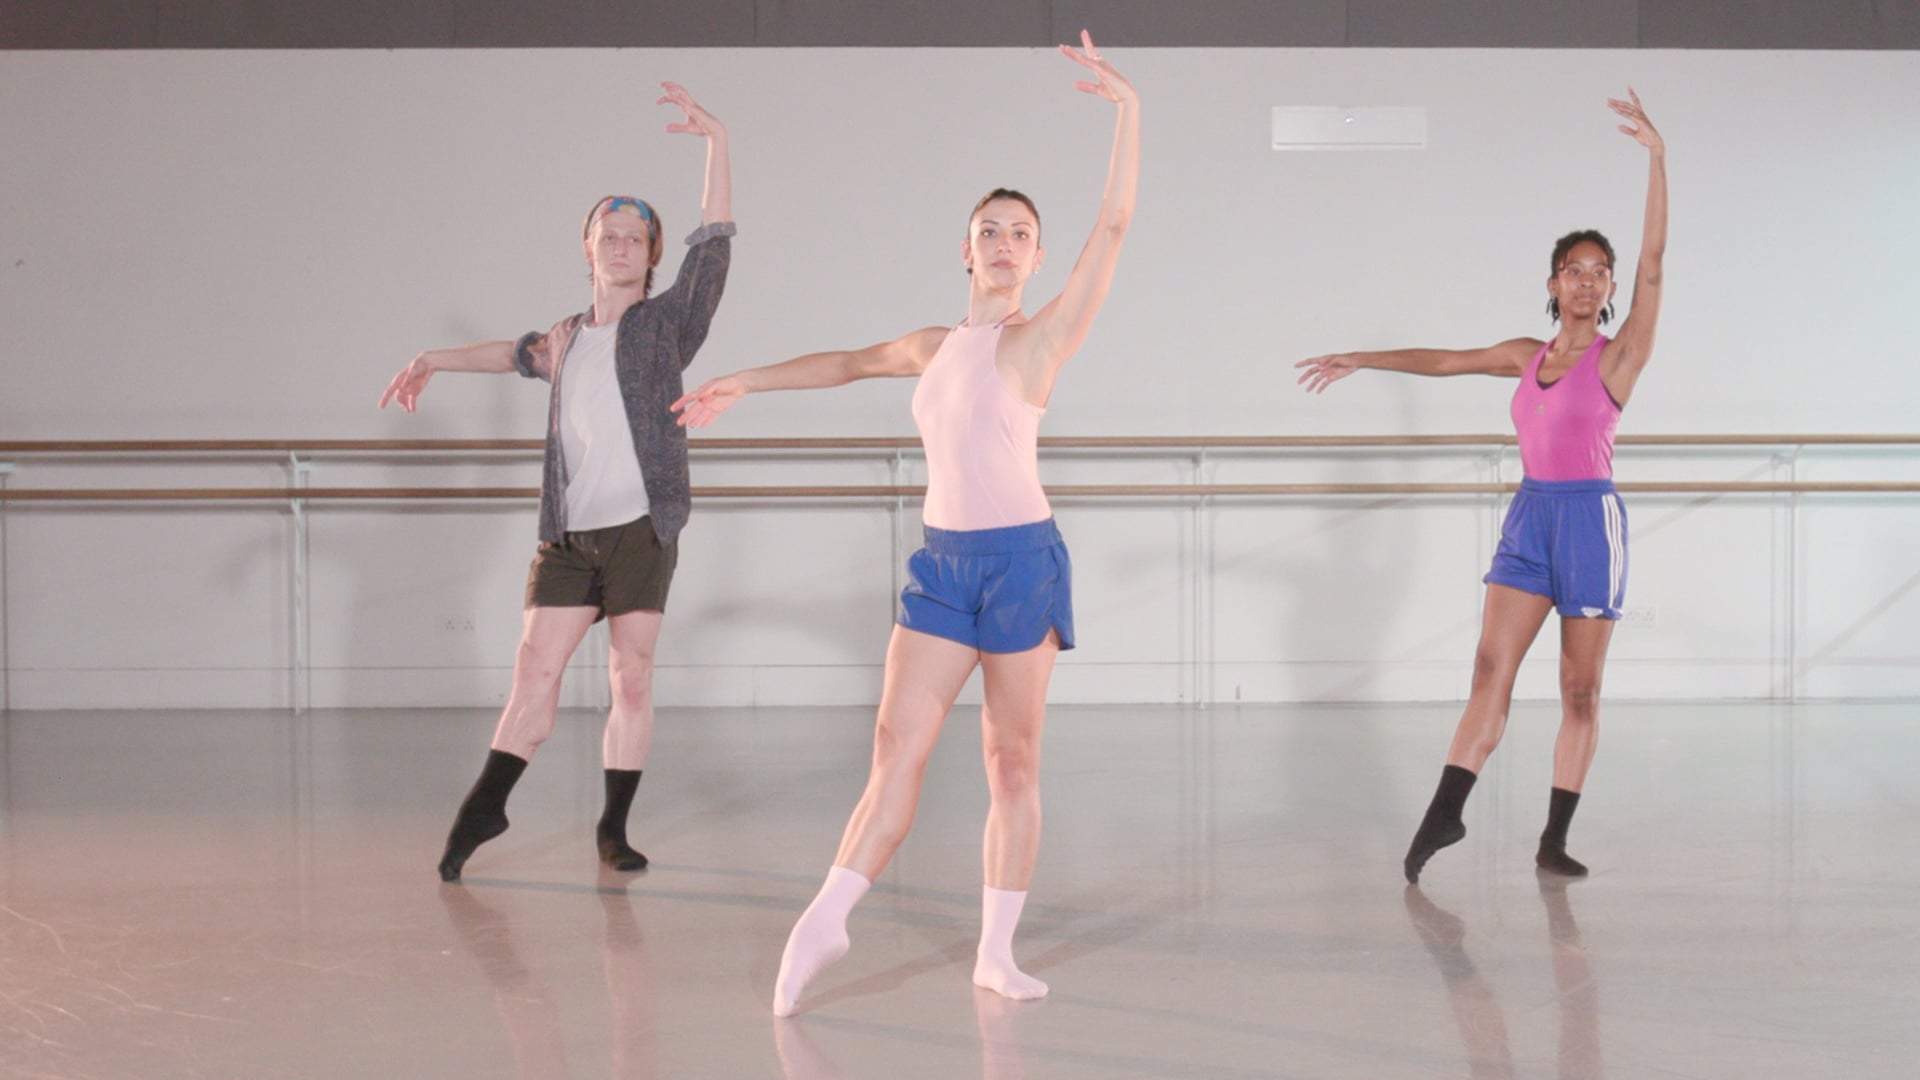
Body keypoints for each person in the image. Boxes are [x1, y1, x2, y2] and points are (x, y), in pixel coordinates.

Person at [671, 31, 1138, 1015]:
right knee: (896, 748)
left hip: (1021, 565)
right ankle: (826, 918)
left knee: (1012, 762)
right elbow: (843, 361)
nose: (1005, 243)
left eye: (1020, 232)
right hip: (942, 567)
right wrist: (741, 382)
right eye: (990, 230)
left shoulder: (1043, 336)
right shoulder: (934, 346)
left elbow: (1116, 229)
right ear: (964, 249)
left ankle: (995, 951)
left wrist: (1129, 114)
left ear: (1036, 256)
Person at [1296, 89, 1666, 884]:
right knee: (1488, 671)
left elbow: (1656, 270)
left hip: (1589, 521)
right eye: (1576, 269)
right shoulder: (1525, 353)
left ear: (1608, 290)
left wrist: (1657, 162)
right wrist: (1366, 358)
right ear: (1553, 280)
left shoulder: (1620, 357)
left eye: (1601, 273)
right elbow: (1445, 360)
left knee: (1578, 686)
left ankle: (1554, 836)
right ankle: (1445, 814)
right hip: (1530, 517)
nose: (1590, 282)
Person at [379, 82, 735, 882]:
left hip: (643, 528)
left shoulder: (666, 324)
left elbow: (712, 248)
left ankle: (613, 826)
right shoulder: (565, 340)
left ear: (649, 254)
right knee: (533, 671)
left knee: (629, 677)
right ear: (587, 249)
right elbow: (510, 351)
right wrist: (434, 357)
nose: (620, 244)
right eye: (607, 234)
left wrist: (717, 143)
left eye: (636, 236)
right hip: (570, 538)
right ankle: (487, 803)